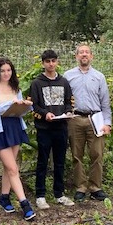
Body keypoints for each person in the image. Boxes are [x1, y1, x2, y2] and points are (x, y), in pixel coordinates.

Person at [0, 57, 35, 221]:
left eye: (8, 70)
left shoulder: (15, 87)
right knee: (13, 169)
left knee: (9, 167)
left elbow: (20, 109)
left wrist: (24, 105)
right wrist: (9, 104)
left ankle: (4, 197)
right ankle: (25, 204)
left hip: (14, 127)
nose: (6, 73)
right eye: (3, 70)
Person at [63, 44, 112, 202]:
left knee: (97, 154)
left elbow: (105, 102)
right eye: (81, 52)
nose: (84, 55)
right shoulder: (68, 76)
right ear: (76, 56)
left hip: (95, 119)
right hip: (75, 119)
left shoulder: (99, 77)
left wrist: (107, 123)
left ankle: (95, 186)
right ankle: (81, 186)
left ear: (92, 56)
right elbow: (63, 99)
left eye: (87, 52)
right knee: (77, 155)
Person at [29, 50, 74, 210]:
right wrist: (44, 114)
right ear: (43, 63)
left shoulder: (64, 82)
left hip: (61, 127)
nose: (51, 64)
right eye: (47, 61)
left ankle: (59, 193)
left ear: (57, 62)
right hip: (45, 128)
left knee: (60, 162)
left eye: (53, 61)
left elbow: (69, 101)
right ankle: (40, 195)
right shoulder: (36, 83)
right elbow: (33, 105)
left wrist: (68, 111)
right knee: (43, 161)